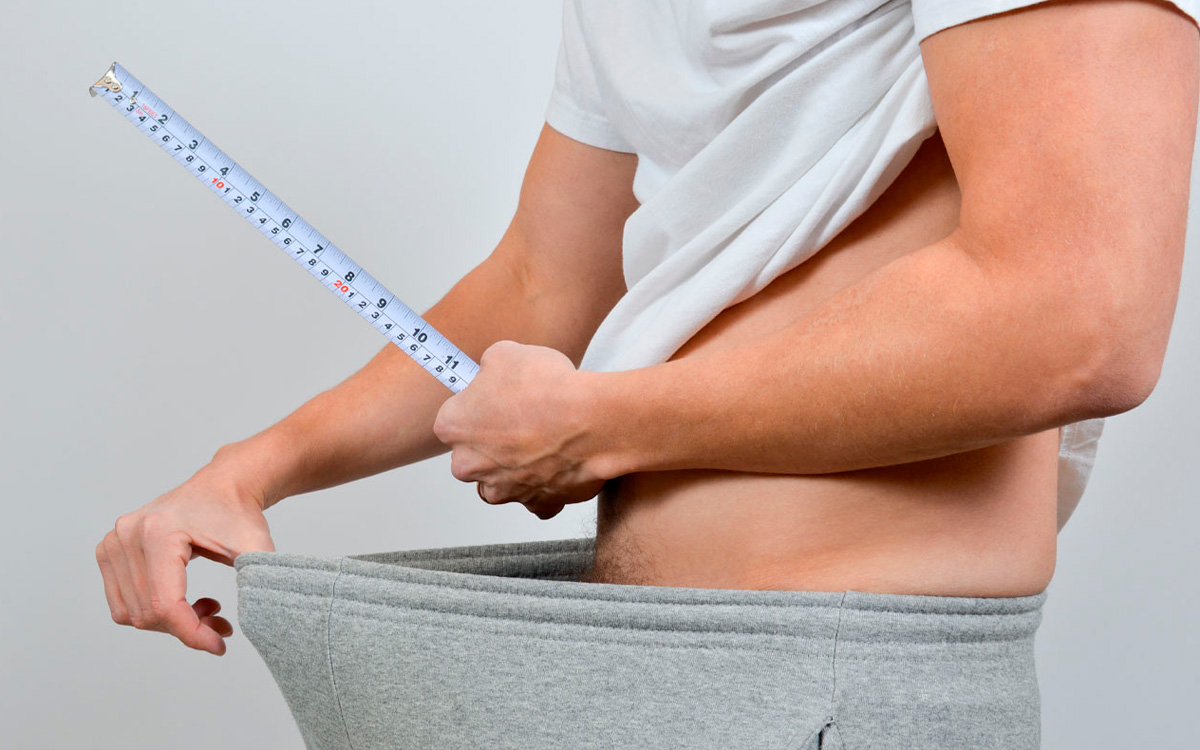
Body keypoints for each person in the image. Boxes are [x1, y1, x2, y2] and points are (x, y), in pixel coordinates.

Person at [97, 0, 1199, 746]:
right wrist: (250, 469)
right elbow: (544, 278)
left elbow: (1078, 314)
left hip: (835, 682)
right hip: (627, 661)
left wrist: (605, 425)